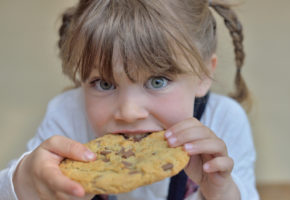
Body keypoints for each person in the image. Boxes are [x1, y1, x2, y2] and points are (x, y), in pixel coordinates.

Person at [0, 0, 259, 199]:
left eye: (157, 81)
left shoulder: (224, 121)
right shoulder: (67, 115)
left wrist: (222, 191)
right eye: (104, 84)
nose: (129, 111)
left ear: (204, 74)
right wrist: (26, 182)